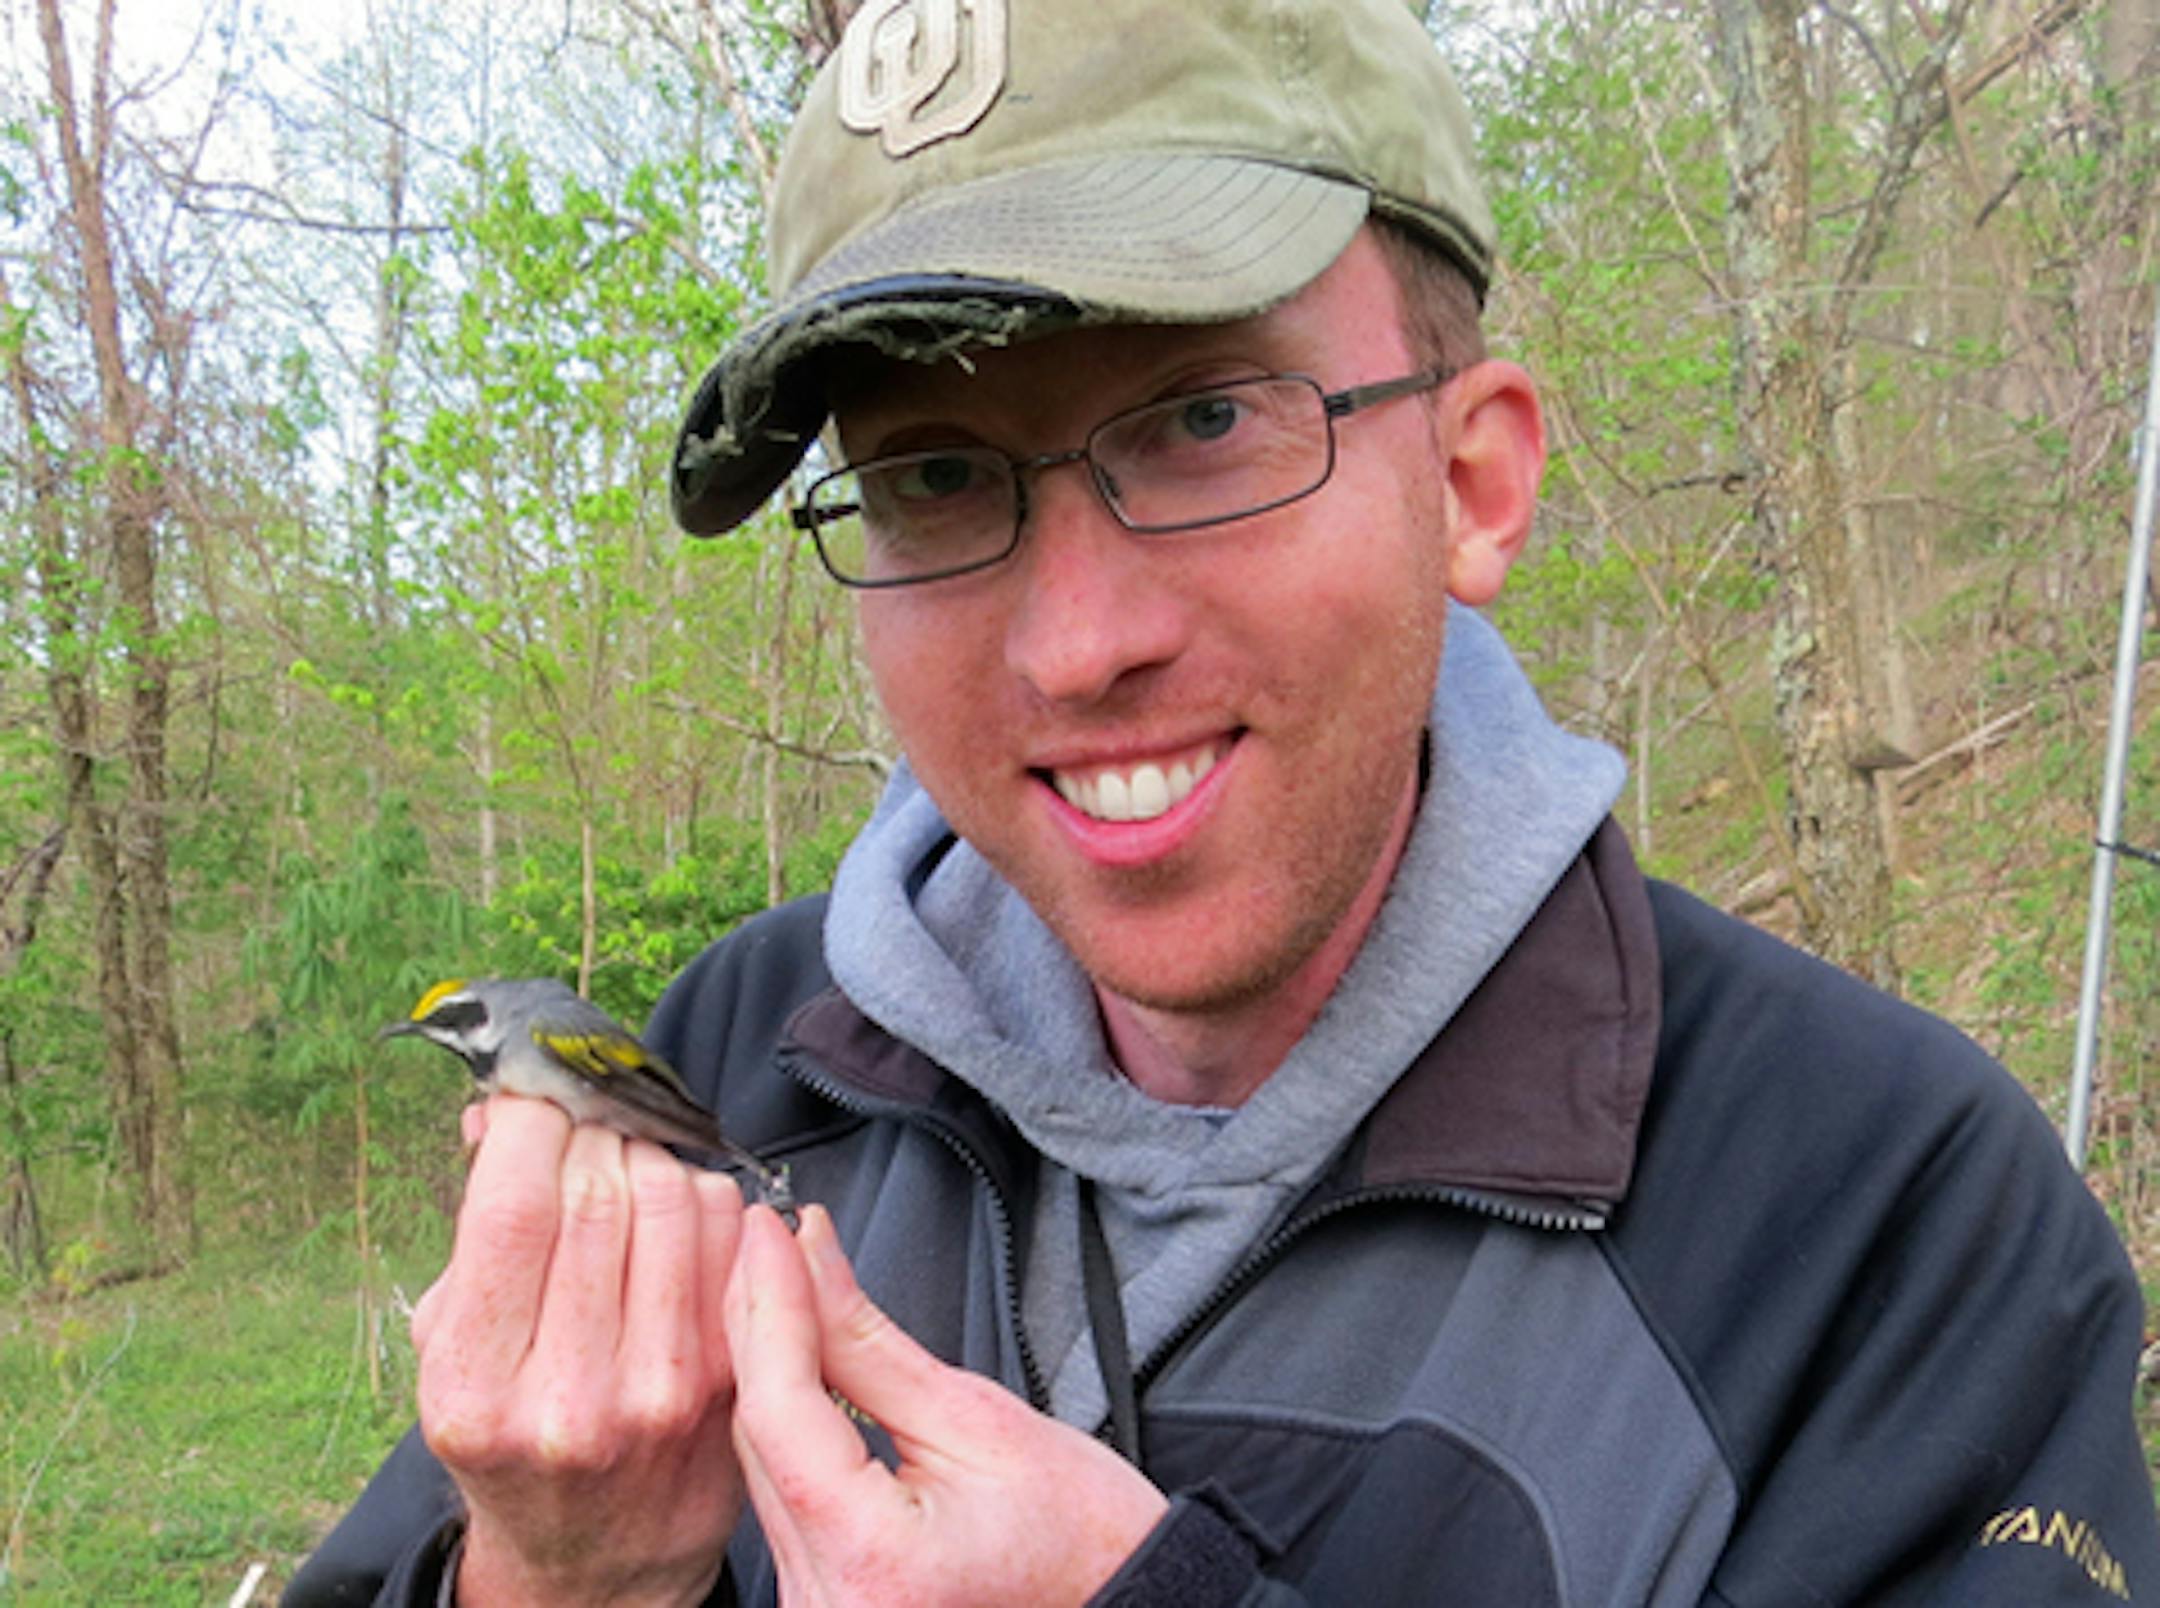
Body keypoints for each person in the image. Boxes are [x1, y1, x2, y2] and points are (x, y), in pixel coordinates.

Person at [288, 1, 2160, 1602]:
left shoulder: (1890, 1224)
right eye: (936, 474)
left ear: (1473, 482)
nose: (1077, 643)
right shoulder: (739, 1068)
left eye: (1200, 423)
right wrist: (563, 1576)